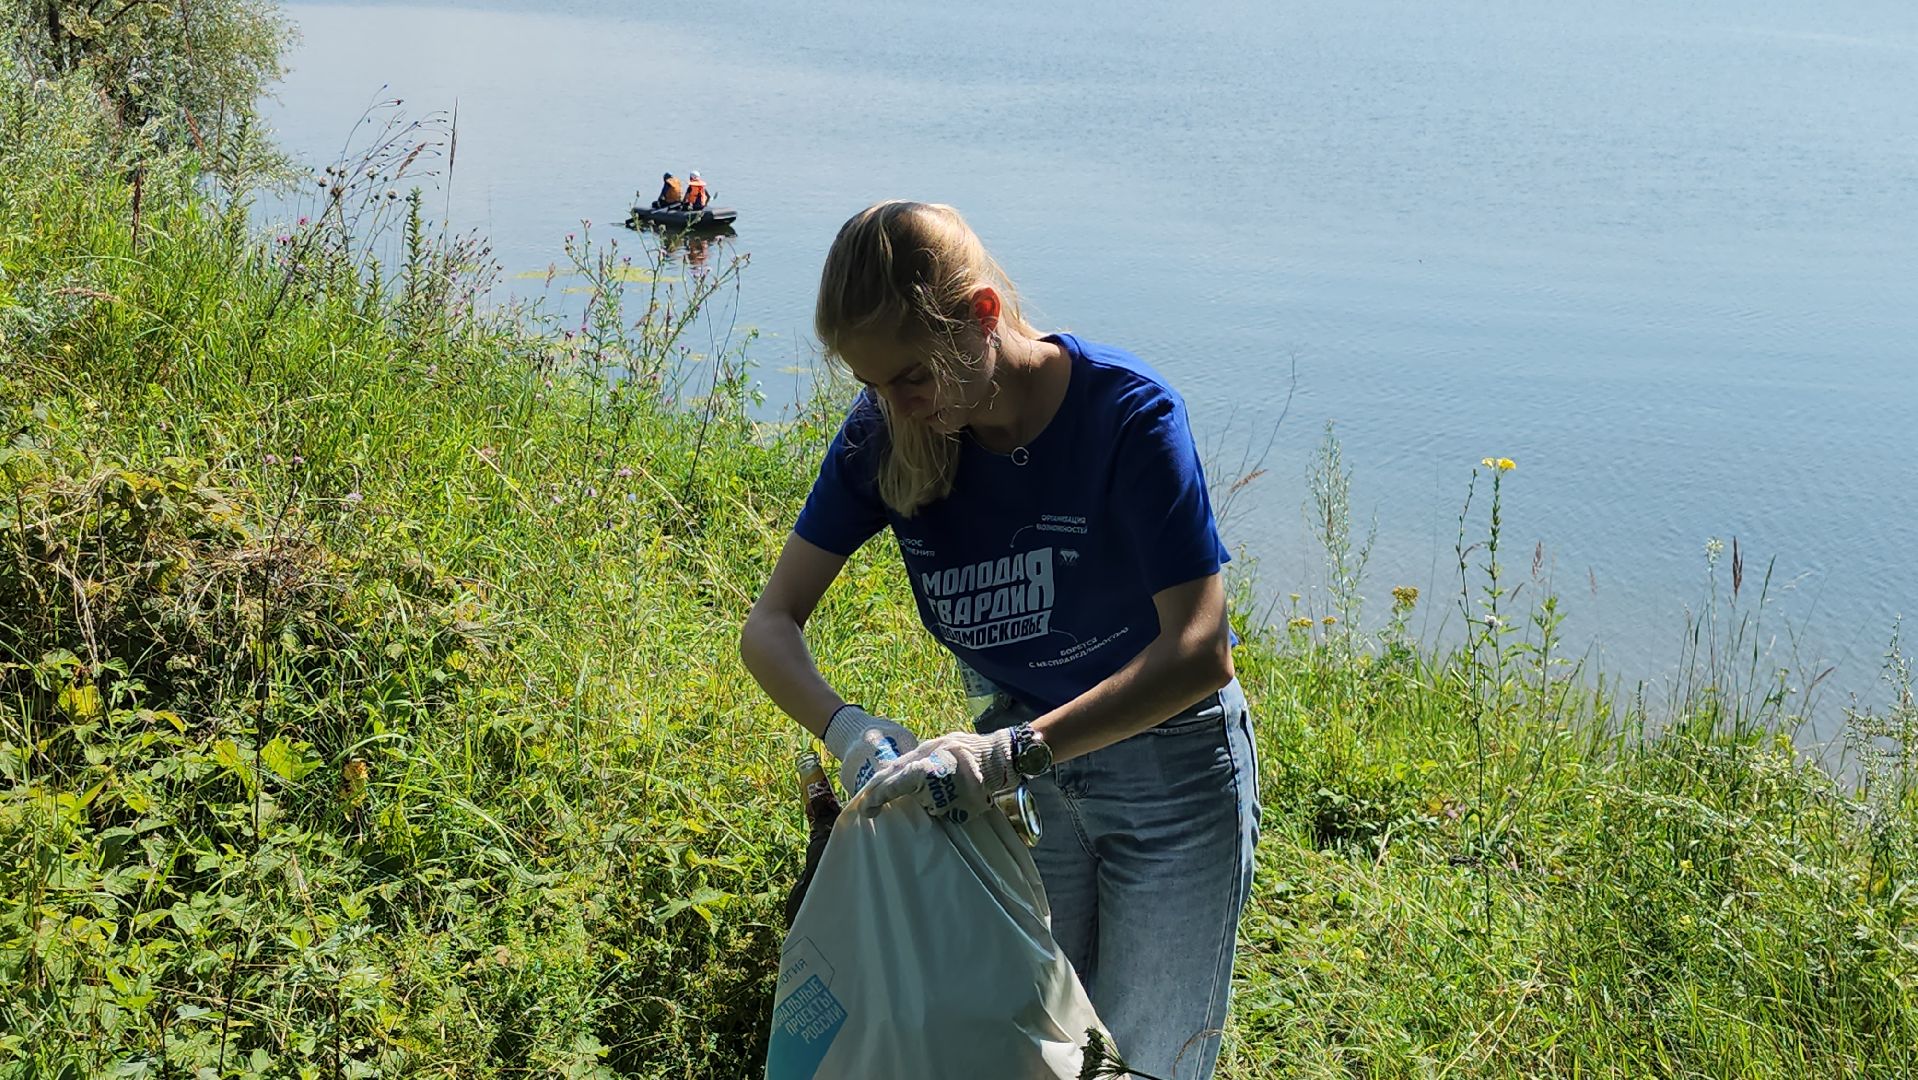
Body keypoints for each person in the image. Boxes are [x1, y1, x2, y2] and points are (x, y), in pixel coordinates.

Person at [738, 200, 1260, 1080]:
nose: (892, 405)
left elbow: (1201, 649)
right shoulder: (888, 432)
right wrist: (848, 729)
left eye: (909, 377)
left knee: (1149, 1062)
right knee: (1019, 1052)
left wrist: (1016, 753)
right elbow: (770, 626)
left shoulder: (1127, 417)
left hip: (1170, 782)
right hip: (1021, 785)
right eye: (870, 384)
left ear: (982, 317)